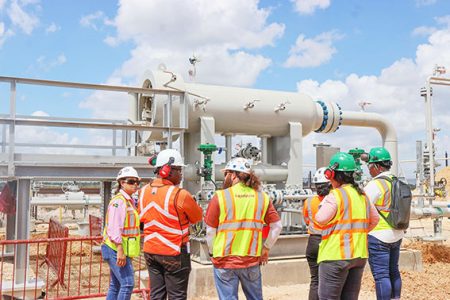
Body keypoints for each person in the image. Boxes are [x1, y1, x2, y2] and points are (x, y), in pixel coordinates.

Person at [204, 157, 282, 300]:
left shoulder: (220, 197)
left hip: (224, 261)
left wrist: (212, 253)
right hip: (251, 260)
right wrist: (266, 249)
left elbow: (210, 231)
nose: (225, 178)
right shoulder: (262, 197)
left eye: (226, 174)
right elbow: (277, 226)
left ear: (233, 175)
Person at [138, 149, 203, 300]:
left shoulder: (143, 192)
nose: (181, 174)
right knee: (177, 296)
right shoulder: (180, 194)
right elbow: (197, 217)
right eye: (179, 170)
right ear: (167, 170)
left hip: (150, 251)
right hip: (174, 253)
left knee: (157, 295)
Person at [315, 152, 379, 300]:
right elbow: (374, 220)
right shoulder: (362, 195)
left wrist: (324, 201)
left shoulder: (335, 195)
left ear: (331, 174)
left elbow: (320, 218)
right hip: (358, 255)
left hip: (335, 256)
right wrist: (358, 233)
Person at [364, 147, 403, 300]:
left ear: (378, 166)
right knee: (394, 271)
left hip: (378, 235)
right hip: (397, 233)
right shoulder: (397, 181)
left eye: (370, 166)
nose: (369, 169)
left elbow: (363, 207)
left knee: (381, 275)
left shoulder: (376, 184)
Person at [102, 166, 141, 300]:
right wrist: (120, 250)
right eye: (131, 181)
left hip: (119, 248)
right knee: (128, 283)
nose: (135, 185)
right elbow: (114, 228)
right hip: (115, 248)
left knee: (116, 285)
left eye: (137, 182)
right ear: (121, 183)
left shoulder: (129, 201)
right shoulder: (119, 201)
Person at [303, 167, 331, 300]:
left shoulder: (308, 201)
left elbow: (307, 221)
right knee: (330, 281)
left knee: (315, 280)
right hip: (329, 241)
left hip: (313, 242)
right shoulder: (334, 201)